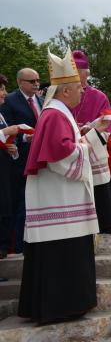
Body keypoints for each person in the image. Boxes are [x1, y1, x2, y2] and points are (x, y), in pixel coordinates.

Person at [18, 48, 108, 324]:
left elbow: (64, 145)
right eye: (79, 88)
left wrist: (89, 133)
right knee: (64, 256)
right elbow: (61, 157)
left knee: (60, 255)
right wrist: (91, 139)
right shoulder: (56, 115)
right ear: (66, 91)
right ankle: (63, 306)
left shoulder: (55, 112)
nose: (84, 91)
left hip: (58, 199)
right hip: (60, 202)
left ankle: (58, 305)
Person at [70, 50, 111, 234]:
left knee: (99, 185)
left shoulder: (99, 96)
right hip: (71, 145)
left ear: (86, 74)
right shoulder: (63, 93)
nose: (75, 77)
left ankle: (105, 222)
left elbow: (109, 126)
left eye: (77, 73)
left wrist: (90, 131)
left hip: (92, 145)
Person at [0, 68, 43, 253]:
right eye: (32, 81)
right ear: (20, 82)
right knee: (17, 206)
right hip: (16, 165)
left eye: (38, 80)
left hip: (38, 160)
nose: (36, 84)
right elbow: (7, 129)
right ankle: (16, 245)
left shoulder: (42, 101)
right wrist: (18, 138)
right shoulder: (10, 101)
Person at [0, 74, 20, 259]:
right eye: (1, 89)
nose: (4, 93)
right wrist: (5, 133)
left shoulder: (1, 114)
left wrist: (12, 148)